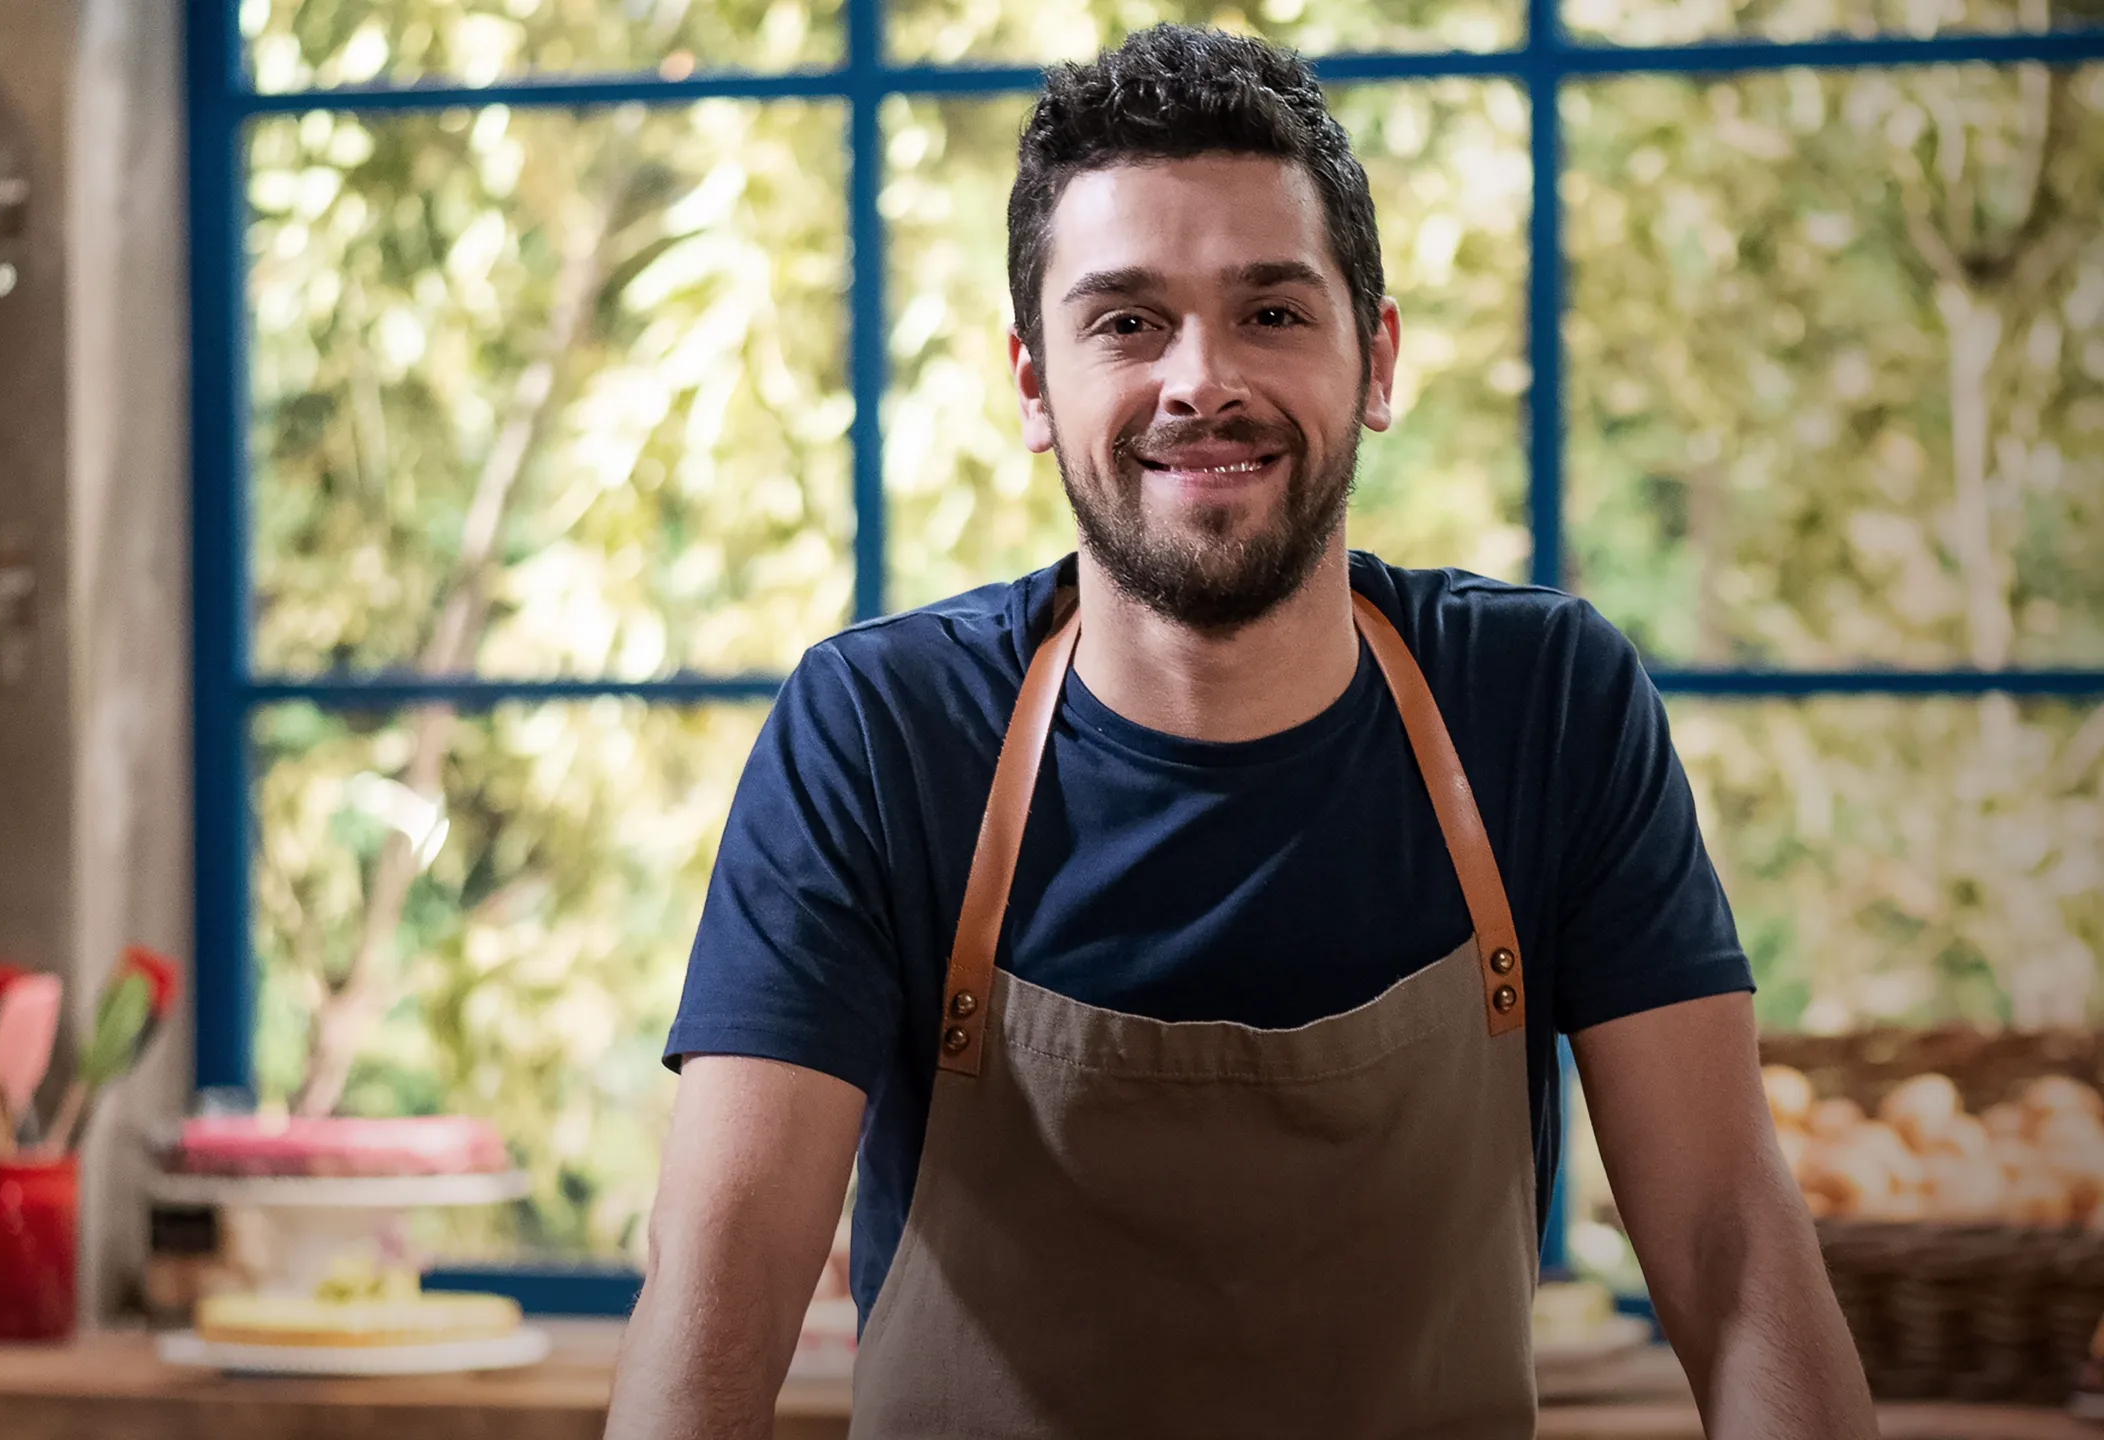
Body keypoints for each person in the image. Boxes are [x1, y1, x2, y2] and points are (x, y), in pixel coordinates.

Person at [607, 24, 1873, 1438]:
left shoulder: (1547, 705)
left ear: (1374, 361)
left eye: (1271, 312)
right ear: (1033, 384)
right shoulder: (880, 733)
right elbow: (725, 1287)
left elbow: (1725, 1242)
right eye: (1126, 320)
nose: (1198, 380)